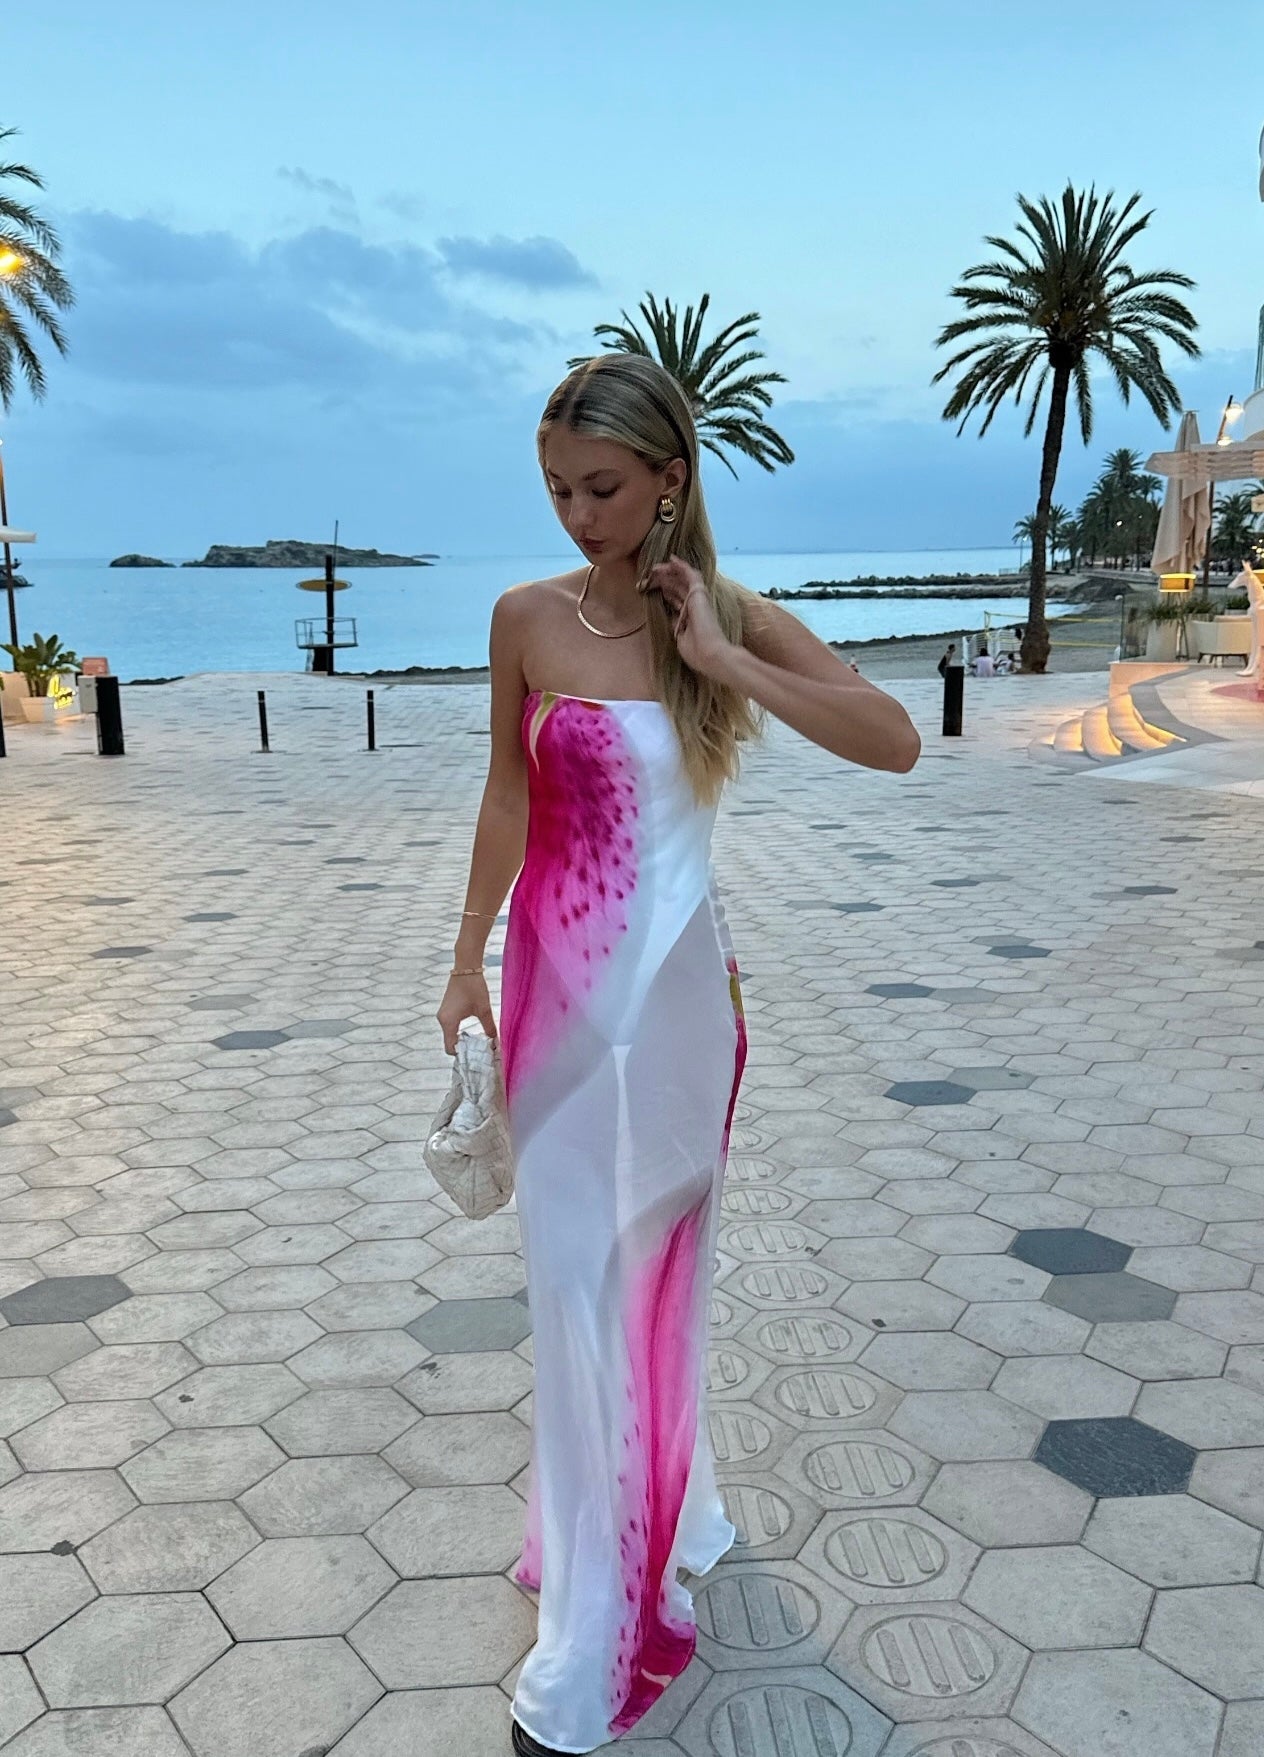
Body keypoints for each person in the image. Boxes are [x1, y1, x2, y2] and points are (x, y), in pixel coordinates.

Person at [436, 353, 920, 1757]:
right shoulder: (524, 618)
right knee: (570, 1287)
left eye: (600, 487)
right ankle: (603, 1563)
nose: (576, 515)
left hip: (679, 1013)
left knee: (647, 1287)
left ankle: (614, 1603)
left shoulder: (732, 619)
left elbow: (894, 740)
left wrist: (720, 659)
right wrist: (462, 955)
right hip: (554, 1001)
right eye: (555, 489)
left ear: (668, 480)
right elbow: (508, 794)